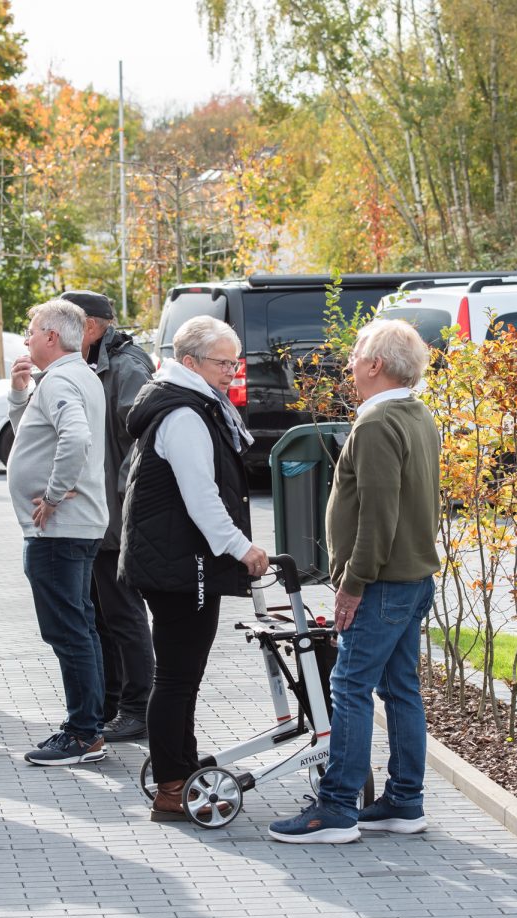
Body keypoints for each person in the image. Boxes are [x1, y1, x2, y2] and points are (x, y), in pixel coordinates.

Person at [269, 319, 439, 844]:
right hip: (411, 580)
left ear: (376, 365)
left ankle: (337, 809)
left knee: (349, 687)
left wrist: (353, 583)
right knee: (400, 689)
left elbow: (377, 516)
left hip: (384, 583)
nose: (348, 364)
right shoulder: (417, 415)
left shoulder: (376, 425)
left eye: (356, 355)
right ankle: (404, 803)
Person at [119, 316, 269, 822]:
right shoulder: (184, 413)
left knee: (182, 675)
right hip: (182, 563)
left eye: (235, 361)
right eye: (223, 362)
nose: (232, 371)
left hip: (177, 559)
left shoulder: (191, 404)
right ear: (189, 363)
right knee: (179, 677)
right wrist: (241, 547)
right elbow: (201, 496)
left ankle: (179, 768)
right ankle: (172, 785)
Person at [7, 298, 109, 767]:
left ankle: (82, 731)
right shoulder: (73, 376)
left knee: (68, 631)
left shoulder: (64, 379)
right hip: (73, 528)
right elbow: (33, 436)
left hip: (58, 531)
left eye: (30, 331)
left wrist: (52, 493)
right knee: (80, 627)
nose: (25, 339)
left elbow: (76, 437)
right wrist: (18, 392)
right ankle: (89, 724)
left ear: (51, 336)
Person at [60, 289, 155, 742]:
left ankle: (138, 706)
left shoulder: (127, 365)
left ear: (92, 326)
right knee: (100, 614)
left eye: (68, 322)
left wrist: (118, 496)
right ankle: (113, 703)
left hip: (115, 515)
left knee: (122, 612)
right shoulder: (92, 364)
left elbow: (141, 440)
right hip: (96, 515)